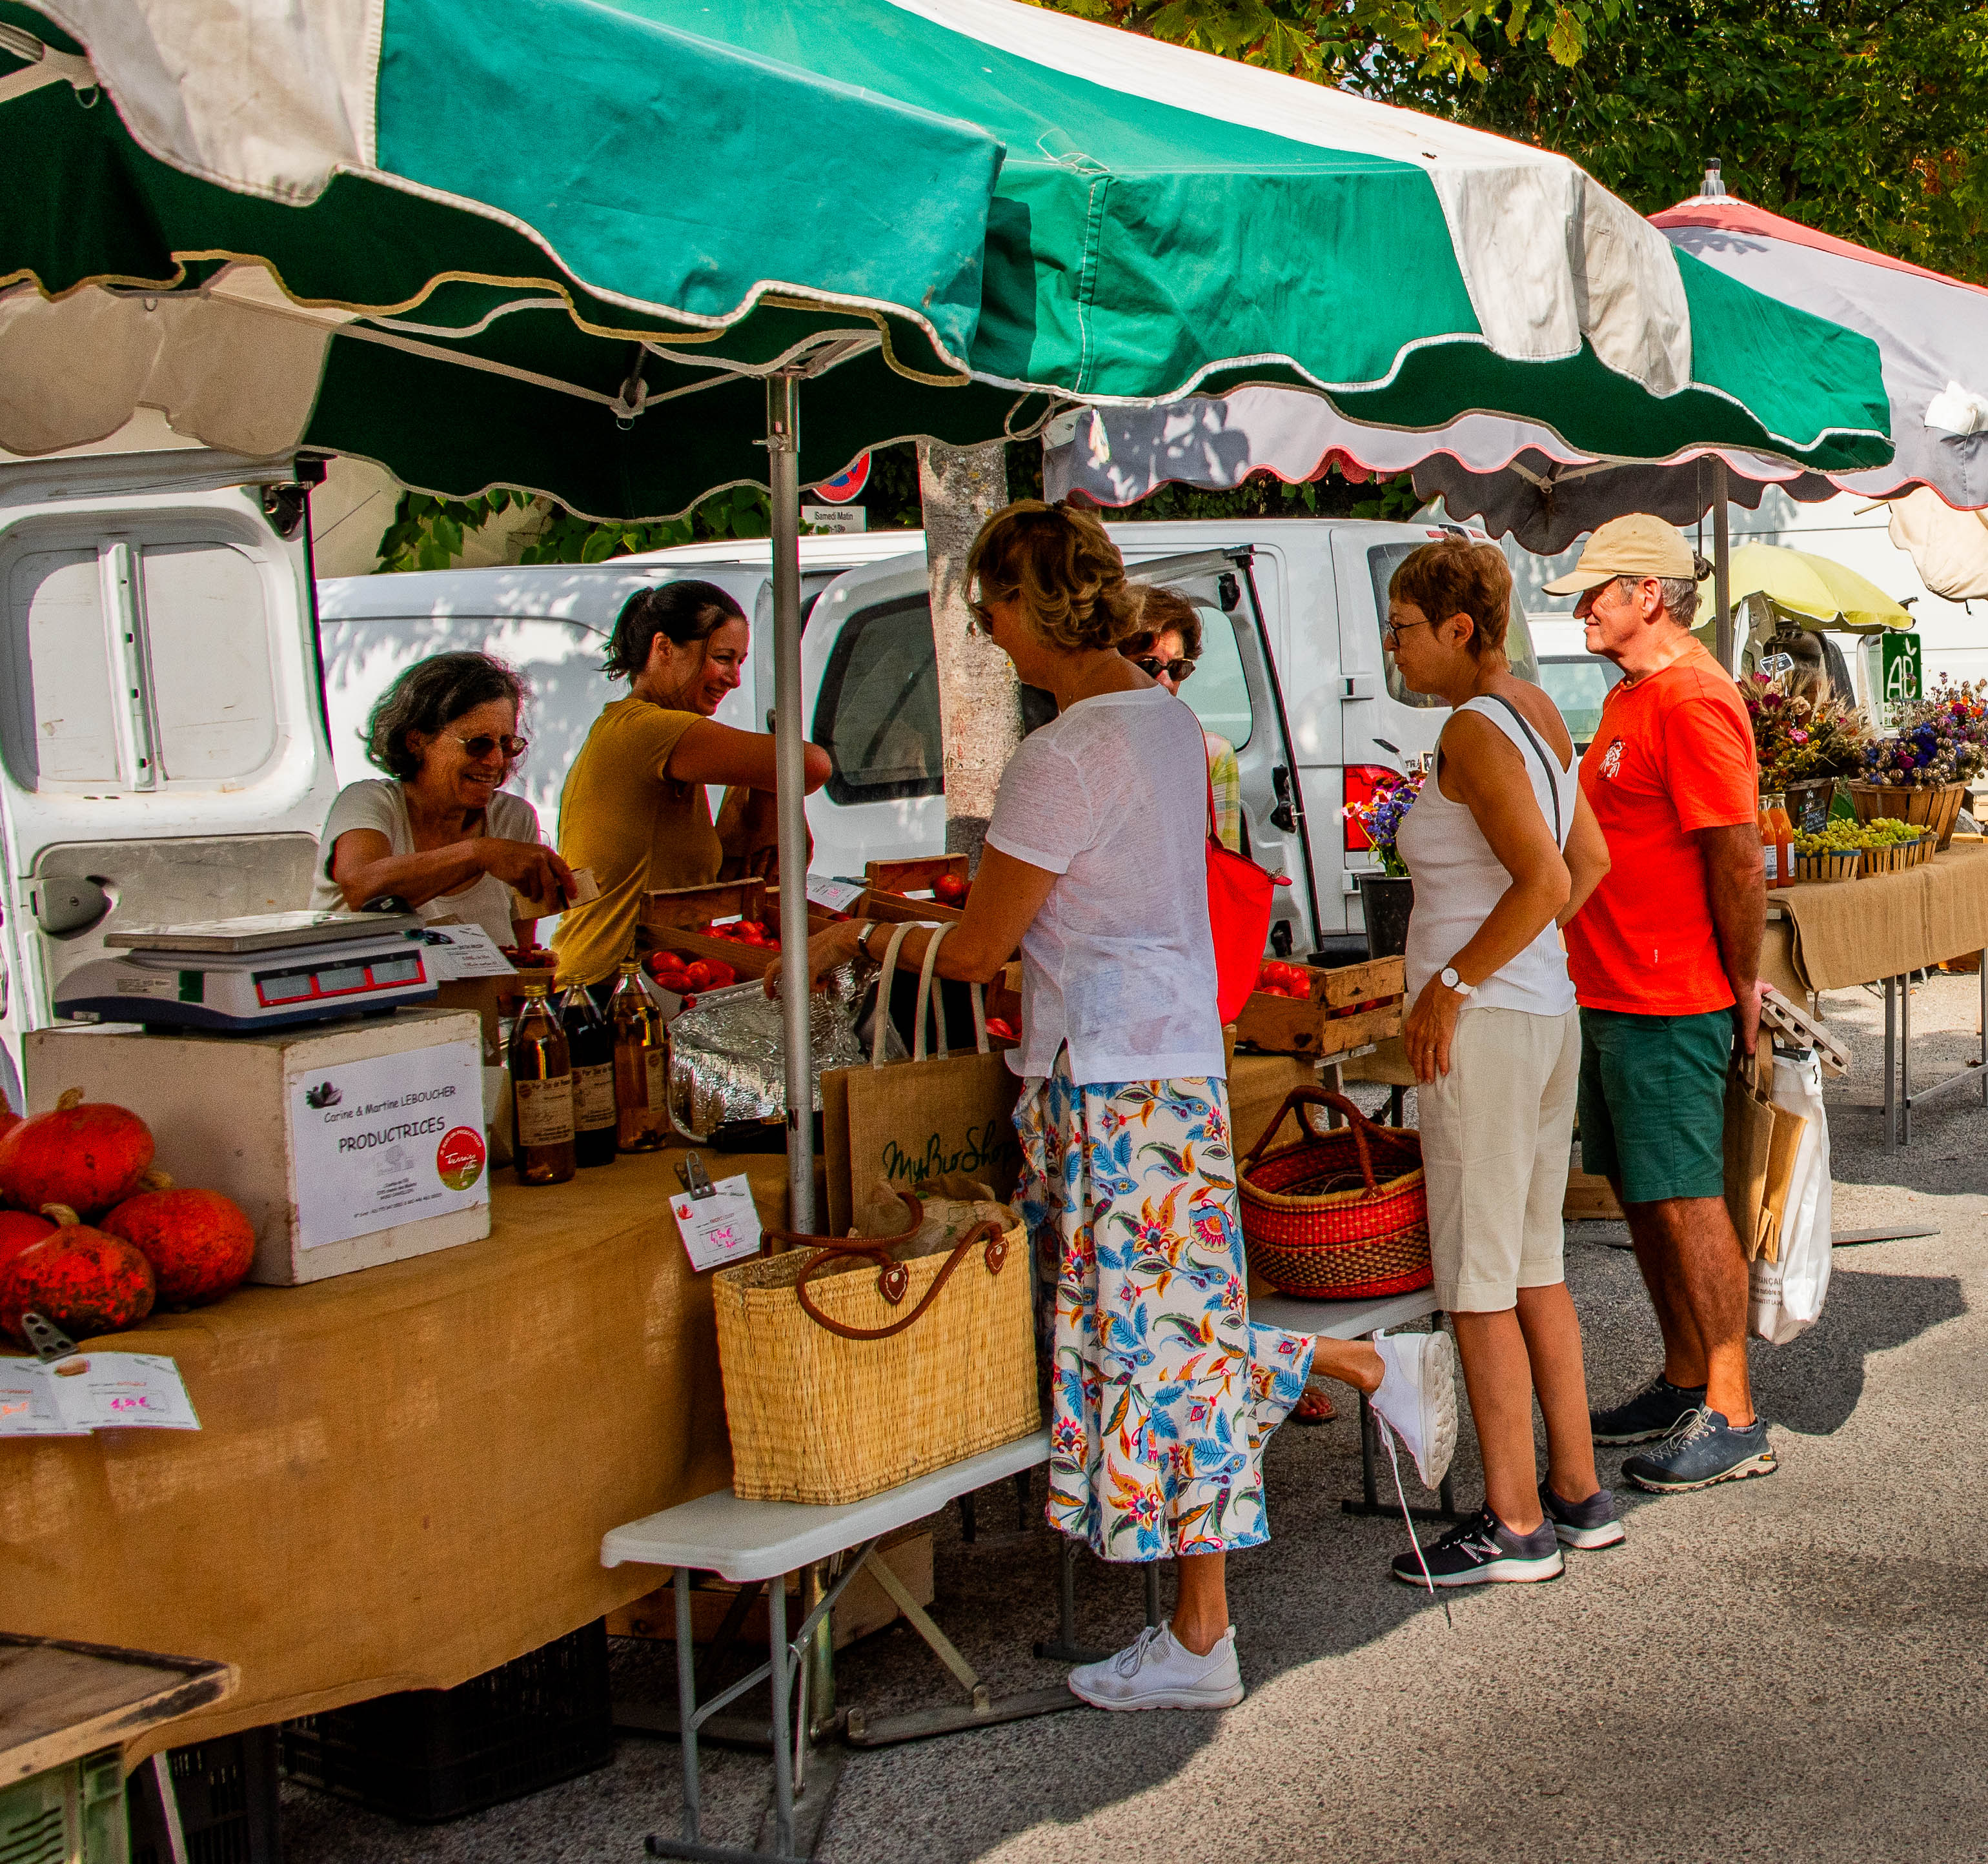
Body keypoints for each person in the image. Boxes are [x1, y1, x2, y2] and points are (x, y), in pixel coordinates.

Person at [793, 503, 1446, 1711]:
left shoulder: (1063, 753)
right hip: (1161, 1060)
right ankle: (1345, 1384)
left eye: (988, 605)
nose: (984, 630)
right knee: (1135, 1337)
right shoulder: (1164, 722)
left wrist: (874, 926)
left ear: (1029, 607)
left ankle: (1213, 1620)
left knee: (1142, 1343)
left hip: (1105, 1079)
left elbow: (986, 945)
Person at [1379, 538, 1619, 1585]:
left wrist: (1454, 985)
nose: (1390, 644)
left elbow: (1541, 876)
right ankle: (1574, 1492)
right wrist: (1515, 970)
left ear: (1456, 629)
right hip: (1541, 1016)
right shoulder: (1531, 709)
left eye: (1401, 626)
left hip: (1487, 1029)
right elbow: (1588, 862)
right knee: (1529, 1267)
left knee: (1477, 1282)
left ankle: (1514, 1520)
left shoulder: (1474, 730)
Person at [1548, 513, 1777, 1495]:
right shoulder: (1636, 695)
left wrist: (1740, 987)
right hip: (1613, 989)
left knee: (1686, 1199)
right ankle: (1685, 1375)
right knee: (1647, 1197)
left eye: (1598, 590)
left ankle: (1733, 1411)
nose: (1583, 607)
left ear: (1650, 595)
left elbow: (1736, 854)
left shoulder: (1690, 700)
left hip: (1667, 995)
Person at [550, 582, 832, 992]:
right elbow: (810, 765)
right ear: (663, 648)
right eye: (722, 658)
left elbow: (723, 869)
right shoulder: (646, 730)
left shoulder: (666, 740)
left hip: (653, 978)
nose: (734, 679)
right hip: (606, 987)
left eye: (740, 662)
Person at [311, 651, 573, 949]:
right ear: (416, 742)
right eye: (478, 745)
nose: (496, 760)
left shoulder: (513, 818)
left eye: (507, 744)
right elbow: (364, 889)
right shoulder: (368, 801)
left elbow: (521, 956)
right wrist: (480, 854)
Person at [1124, 583, 1242, 853]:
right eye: (1149, 666)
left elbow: (1225, 861)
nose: (1166, 682)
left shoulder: (1212, 754)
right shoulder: (1083, 753)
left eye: (1179, 668)